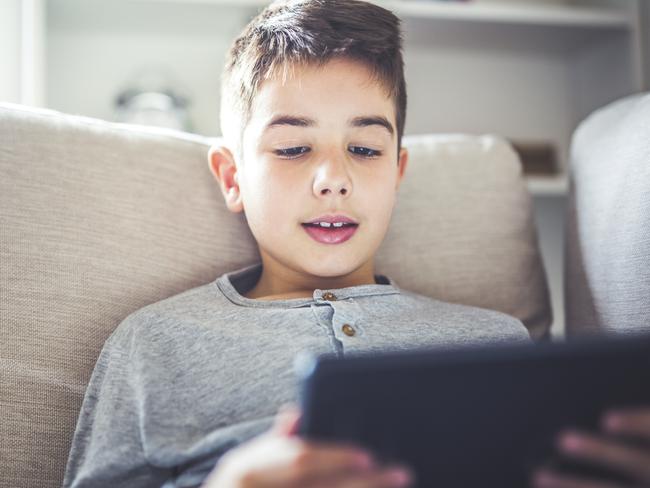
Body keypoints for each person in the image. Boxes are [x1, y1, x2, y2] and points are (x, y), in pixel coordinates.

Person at [62, 1, 536, 487]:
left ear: (396, 173)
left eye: (365, 149)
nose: (334, 180)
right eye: (292, 148)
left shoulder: (498, 346)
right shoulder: (155, 342)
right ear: (232, 178)